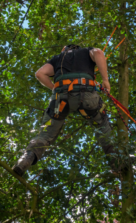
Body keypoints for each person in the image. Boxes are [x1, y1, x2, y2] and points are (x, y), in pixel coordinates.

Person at [12, 45, 119, 177]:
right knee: (103, 127)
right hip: (86, 95)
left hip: (60, 99)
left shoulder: (58, 58)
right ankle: (117, 163)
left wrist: (54, 88)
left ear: (64, 50)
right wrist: (105, 80)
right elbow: (98, 52)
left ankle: (25, 160)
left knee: (45, 135)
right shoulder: (86, 51)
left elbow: (40, 74)